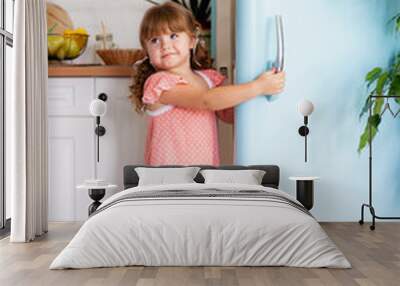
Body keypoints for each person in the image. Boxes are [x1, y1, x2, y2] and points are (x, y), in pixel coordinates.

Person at [129, 1, 285, 166]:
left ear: (191, 41)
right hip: (168, 182)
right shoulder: (159, 83)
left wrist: (242, 78)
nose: (165, 45)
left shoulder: (210, 79)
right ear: (147, 52)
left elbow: (231, 115)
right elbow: (206, 100)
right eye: (154, 40)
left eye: (173, 36)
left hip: (204, 177)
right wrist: (258, 86)